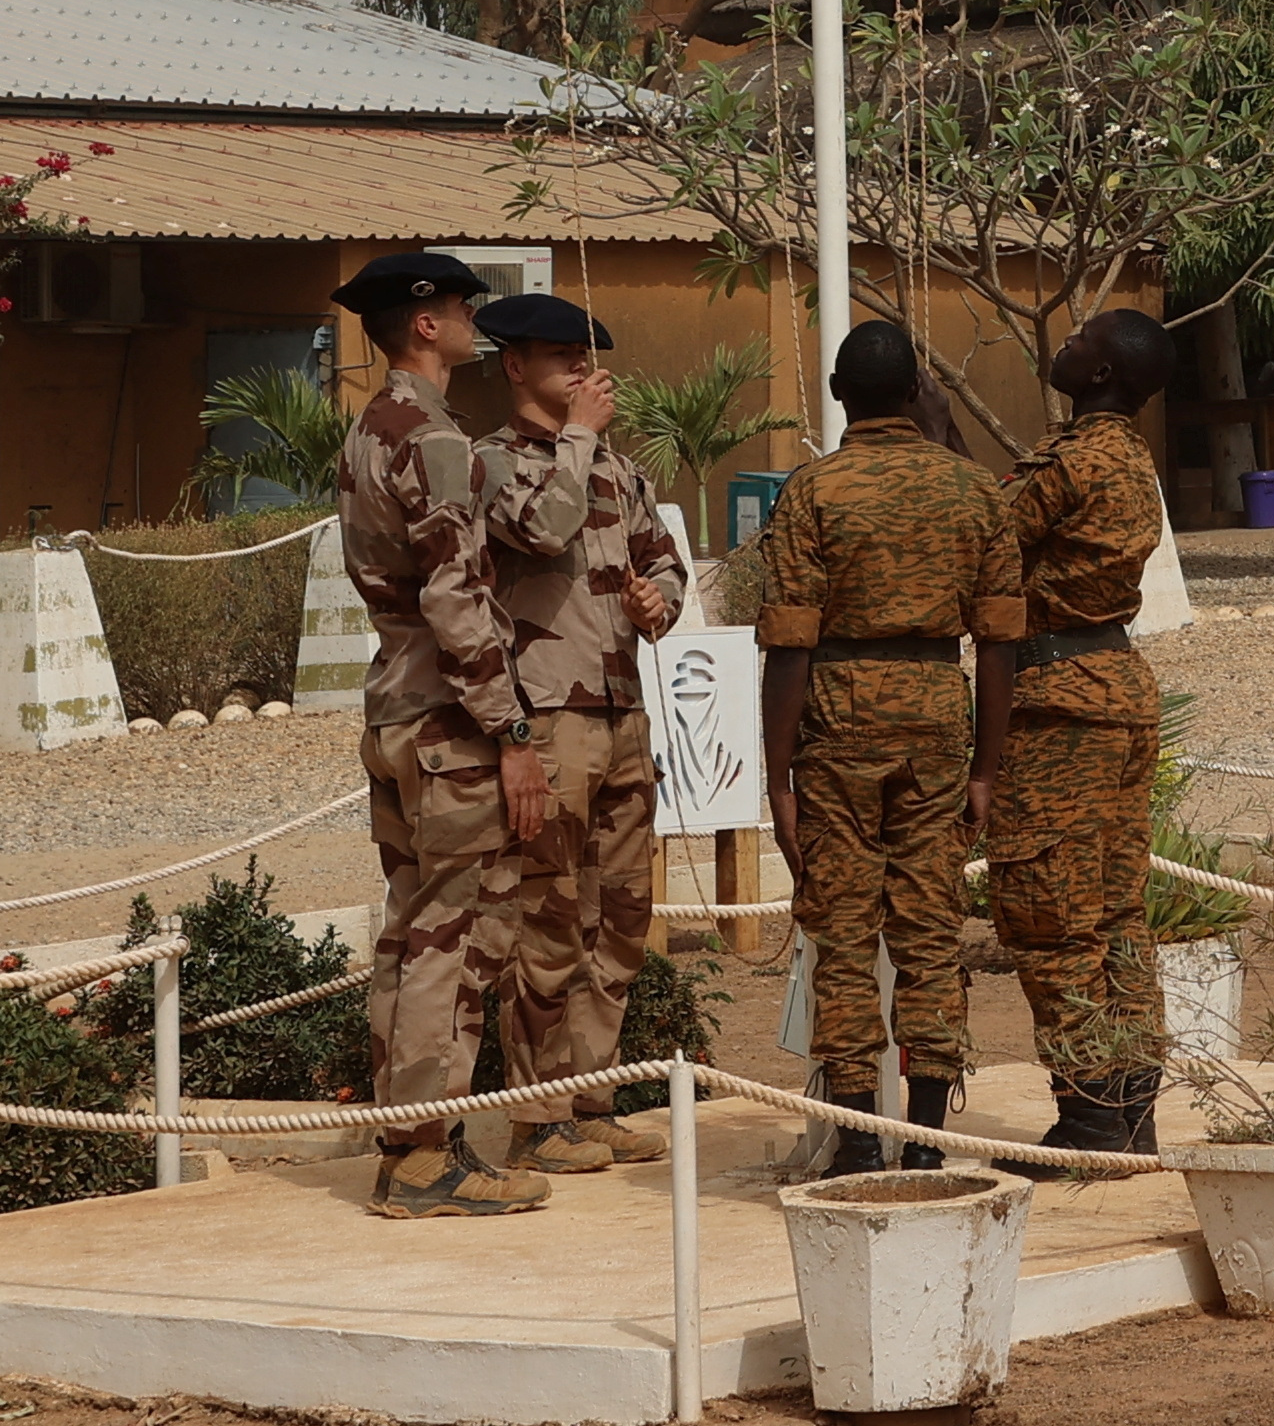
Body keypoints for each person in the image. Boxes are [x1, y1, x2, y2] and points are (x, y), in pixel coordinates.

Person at [752, 317, 1021, 1170]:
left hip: (838, 715)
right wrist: (986, 768)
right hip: (938, 712)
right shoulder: (975, 490)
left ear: (838, 394)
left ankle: (861, 1141)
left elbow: (788, 644)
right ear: (915, 392)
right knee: (930, 930)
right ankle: (929, 1140)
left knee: (842, 933)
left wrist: (779, 779)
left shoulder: (812, 493)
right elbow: (1000, 642)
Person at [330, 247, 547, 1221]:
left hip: (394, 703)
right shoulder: (434, 437)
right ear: (426, 322)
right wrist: (511, 731)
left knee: (409, 932)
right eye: (463, 307)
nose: (473, 322)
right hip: (448, 719)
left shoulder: (368, 430)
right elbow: (457, 596)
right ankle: (423, 1158)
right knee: (451, 941)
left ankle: (412, 1144)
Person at [467, 291, 690, 1174]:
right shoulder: (492, 463)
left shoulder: (616, 469)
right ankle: (537, 1116)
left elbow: (664, 558)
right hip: (547, 716)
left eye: (585, 356)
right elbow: (542, 526)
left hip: (621, 710)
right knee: (548, 919)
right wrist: (579, 439)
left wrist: (656, 600)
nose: (580, 369)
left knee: (621, 917)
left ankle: (591, 1099)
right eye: (562, 356)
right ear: (515, 365)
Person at [993, 309, 1175, 1152]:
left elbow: (981, 538)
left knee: (1054, 915)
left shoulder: (1074, 460)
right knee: (1116, 916)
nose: (1063, 341)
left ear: (1101, 375)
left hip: (1060, 700)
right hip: (1114, 688)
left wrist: (932, 441)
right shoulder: (1132, 458)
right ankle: (1132, 1109)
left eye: (1079, 341)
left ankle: (1091, 1117)